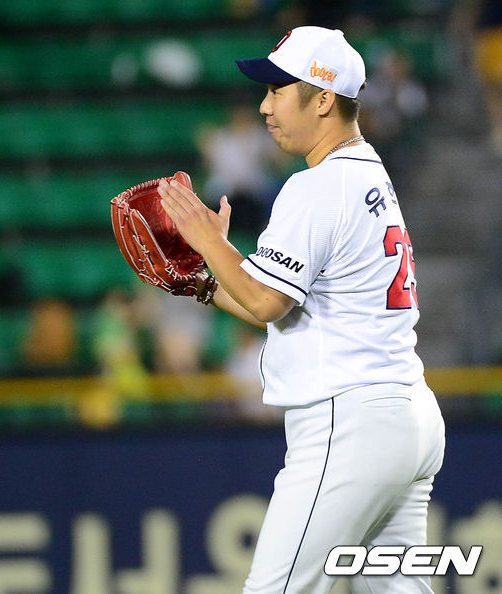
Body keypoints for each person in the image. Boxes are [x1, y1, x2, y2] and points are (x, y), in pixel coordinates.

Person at [157, 26, 445, 594]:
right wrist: (204, 285)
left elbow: (266, 301)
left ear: (322, 99)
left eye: (277, 90)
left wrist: (208, 242)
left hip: (350, 421)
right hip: (405, 415)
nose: (264, 106)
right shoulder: (367, 172)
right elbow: (280, 305)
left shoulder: (318, 186)